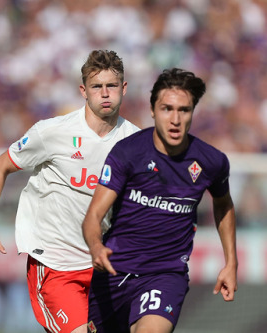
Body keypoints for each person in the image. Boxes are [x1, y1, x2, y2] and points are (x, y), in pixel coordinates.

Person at [0, 49, 140, 333]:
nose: (105, 93)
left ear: (124, 88)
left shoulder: (136, 142)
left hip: (104, 266)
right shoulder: (53, 132)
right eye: (97, 87)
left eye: (111, 86)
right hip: (55, 265)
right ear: (83, 91)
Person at [82, 68, 238, 333]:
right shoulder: (128, 153)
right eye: (167, 109)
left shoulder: (211, 161)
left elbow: (224, 204)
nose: (175, 119)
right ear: (153, 110)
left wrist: (231, 262)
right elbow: (94, 216)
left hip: (165, 275)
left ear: (192, 112)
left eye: (184, 110)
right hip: (113, 273)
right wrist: (96, 247)